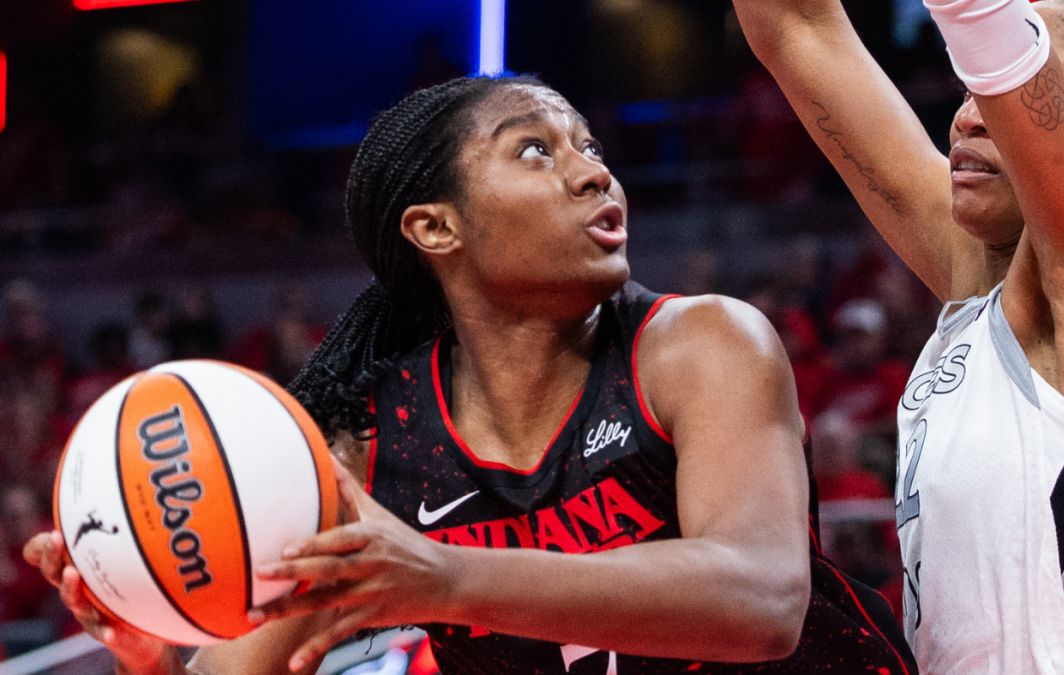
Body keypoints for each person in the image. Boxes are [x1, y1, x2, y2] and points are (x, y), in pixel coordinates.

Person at [26, 76, 916, 675]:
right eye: (537, 150)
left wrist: (441, 576)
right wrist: (156, 650)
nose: (592, 171)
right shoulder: (368, 444)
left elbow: (761, 600)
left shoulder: (699, 345)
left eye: (589, 146)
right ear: (435, 228)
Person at [731, 0, 1064, 671]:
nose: (971, 114)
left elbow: (977, 13)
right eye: (968, 88)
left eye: (1011, 90)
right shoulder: (977, 285)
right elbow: (795, 26)